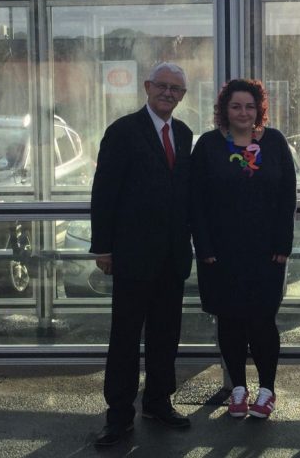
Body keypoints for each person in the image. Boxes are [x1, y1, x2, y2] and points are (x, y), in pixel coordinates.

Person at [90, 62, 193, 446]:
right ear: (148, 87)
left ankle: (158, 402)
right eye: (163, 86)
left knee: (166, 335)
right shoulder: (122, 131)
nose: (169, 93)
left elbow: (183, 191)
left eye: (177, 89)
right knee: (125, 339)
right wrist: (103, 247)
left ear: (183, 95)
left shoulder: (183, 133)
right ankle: (118, 415)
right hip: (132, 255)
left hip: (172, 257)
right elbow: (105, 191)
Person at [191, 79, 296, 420]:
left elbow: (286, 196)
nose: (243, 112)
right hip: (220, 253)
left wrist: (284, 243)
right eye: (236, 106)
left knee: (263, 319)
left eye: (249, 106)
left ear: (259, 109)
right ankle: (238, 387)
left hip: (266, 252)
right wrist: (203, 245)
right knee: (230, 319)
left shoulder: (276, 142)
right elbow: (197, 202)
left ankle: (266, 390)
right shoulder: (207, 145)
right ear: (224, 109)